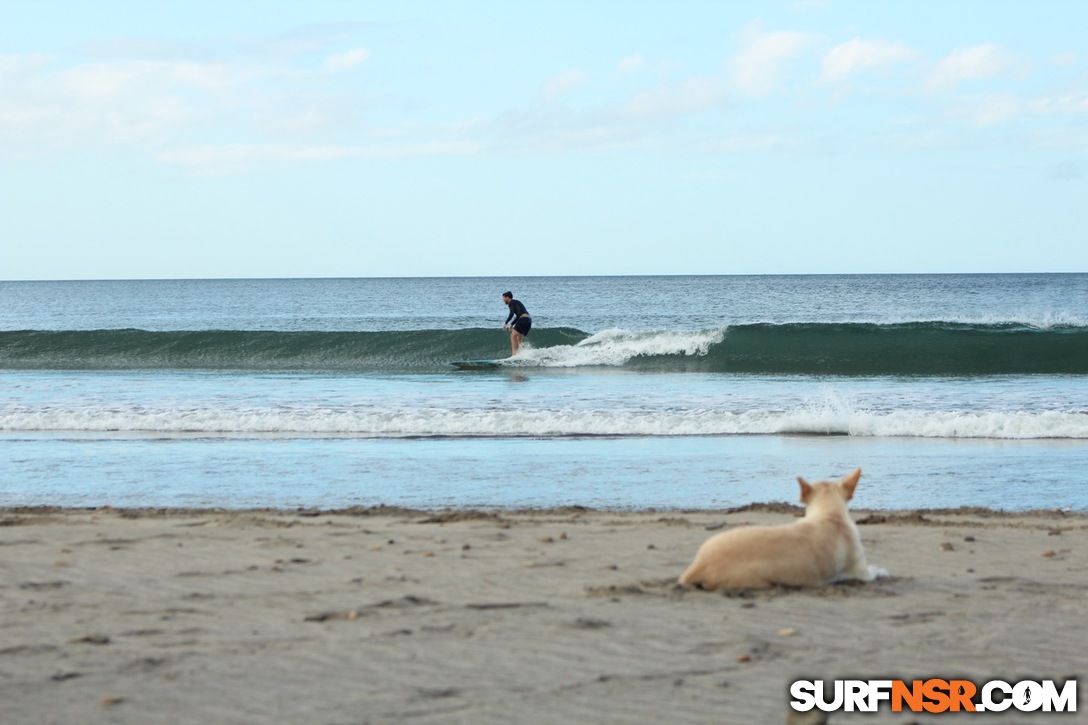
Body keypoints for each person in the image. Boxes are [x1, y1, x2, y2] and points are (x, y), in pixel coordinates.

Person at [501, 291, 531, 357]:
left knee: (512, 336)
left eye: (503, 298)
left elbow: (511, 314)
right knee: (519, 338)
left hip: (523, 319)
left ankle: (514, 355)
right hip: (528, 320)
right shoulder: (517, 302)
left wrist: (505, 323)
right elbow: (519, 315)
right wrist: (512, 324)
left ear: (507, 297)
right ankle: (522, 353)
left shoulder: (511, 303)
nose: (503, 300)